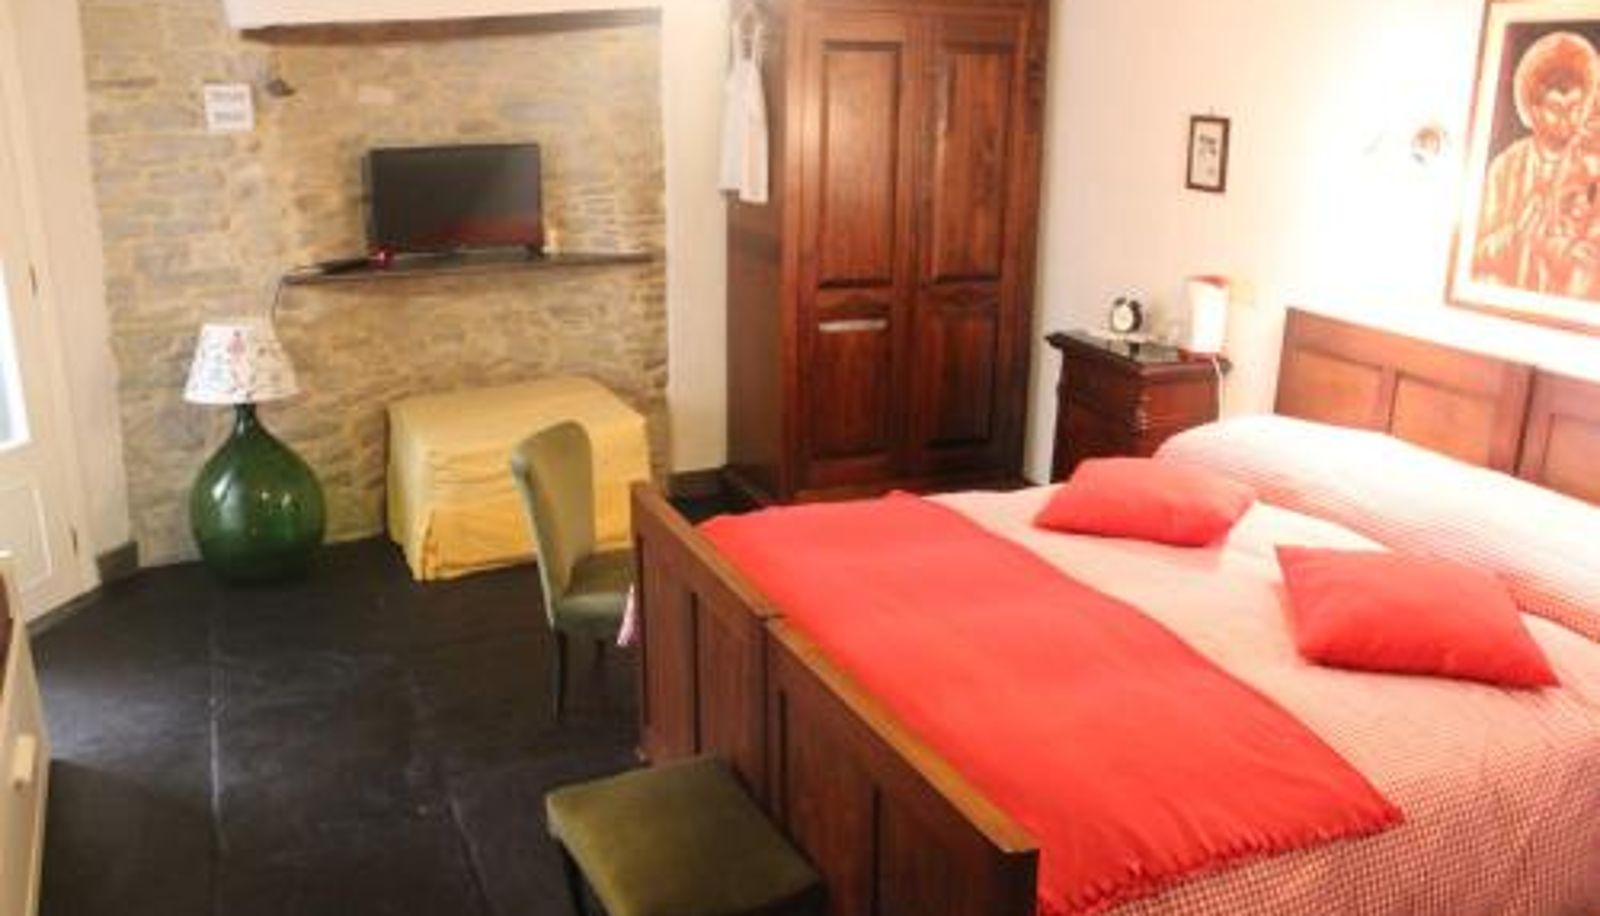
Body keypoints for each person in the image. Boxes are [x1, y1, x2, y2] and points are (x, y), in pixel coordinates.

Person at [1472, 30, 1600, 294]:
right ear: (1534, 109)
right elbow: (1475, 253)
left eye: (1575, 107)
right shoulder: (1506, 167)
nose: (1567, 119)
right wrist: (1516, 233)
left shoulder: (1591, 167)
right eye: (1556, 108)